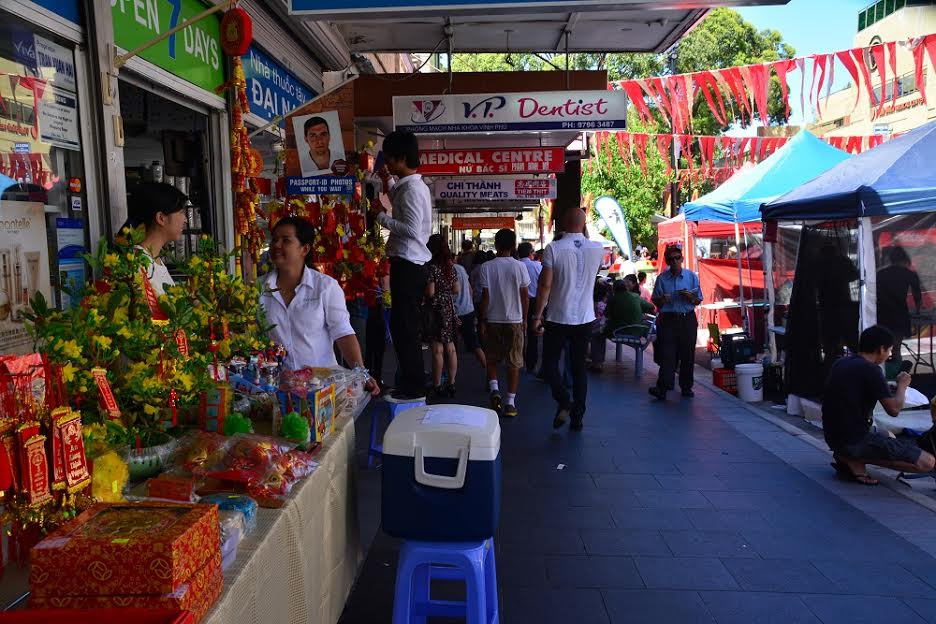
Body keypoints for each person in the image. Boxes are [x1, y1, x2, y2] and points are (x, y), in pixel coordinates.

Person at [260, 217, 378, 394]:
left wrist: (361, 373)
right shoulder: (259, 289)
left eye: (286, 240)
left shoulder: (325, 287)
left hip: (320, 389)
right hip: (275, 388)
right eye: (274, 239)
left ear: (304, 249)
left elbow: (343, 333)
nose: (277, 245)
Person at [824, 325, 935, 485]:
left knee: (888, 435)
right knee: (928, 462)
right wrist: (902, 385)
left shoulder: (841, 363)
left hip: (833, 437)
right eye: (889, 350)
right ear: (881, 349)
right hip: (854, 440)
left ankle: (848, 455)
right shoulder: (872, 370)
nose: (889, 355)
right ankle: (854, 459)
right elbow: (894, 410)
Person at [369, 130, 432, 400]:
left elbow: (412, 229)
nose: (387, 164)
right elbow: (401, 202)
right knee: (401, 326)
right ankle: (411, 382)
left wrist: (380, 217)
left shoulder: (414, 189)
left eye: (390, 160)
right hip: (408, 265)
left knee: (405, 329)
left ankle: (414, 385)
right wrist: (388, 181)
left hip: (408, 264)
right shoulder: (408, 186)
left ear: (402, 158)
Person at [532, 207, 605, 431]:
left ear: (563, 224)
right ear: (583, 224)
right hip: (585, 318)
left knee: (550, 364)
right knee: (579, 368)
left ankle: (564, 400)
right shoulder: (597, 248)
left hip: (557, 316)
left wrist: (537, 316)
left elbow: (545, 286)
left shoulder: (553, 248)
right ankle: (578, 416)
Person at [478, 229, 529, 418]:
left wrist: (482, 319)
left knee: (492, 358)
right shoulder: (519, 267)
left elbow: (485, 296)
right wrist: (524, 319)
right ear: (513, 245)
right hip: (514, 320)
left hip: (493, 319)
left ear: (496, 244)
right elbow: (525, 296)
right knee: (513, 362)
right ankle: (510, 403)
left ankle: (494, 389)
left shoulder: (487, 267)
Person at [650, 244, 703, 400]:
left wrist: (690, 297)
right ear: (667, 261)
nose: (674, 261)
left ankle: (686, 387)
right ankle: (663, 387)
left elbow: (698, 300)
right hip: (668, 320)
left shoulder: (691, 276)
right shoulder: (662, 279)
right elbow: (656, 302)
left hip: (687, 318)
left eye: (677, 258)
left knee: (687, 354)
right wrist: (662, 300)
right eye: (671, 259)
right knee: (667, 354)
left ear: (682, 259)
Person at [125, 181, 187, 296]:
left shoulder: (155, 260)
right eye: (181, 212)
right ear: (161, 218)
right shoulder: (138, 263)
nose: (185, 220)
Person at [425, 234, 459, 398]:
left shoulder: (432, 268)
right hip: (448, 309)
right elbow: (456, 290)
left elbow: (430, 292)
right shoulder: (450, 267)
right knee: (451, 348)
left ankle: (437, 385)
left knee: (437, 349)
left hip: (435, 310)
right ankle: (451, 383)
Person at [814, 241, 860, 362]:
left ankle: (831, 364)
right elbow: (855, 276)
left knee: (830, 342)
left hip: (827, 305)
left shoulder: (819, 263)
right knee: (850, 338)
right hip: (844, 304)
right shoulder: (843, 261)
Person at [876, 246, 922, 362]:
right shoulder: (909, 274)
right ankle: (898, 374)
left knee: (881, 348)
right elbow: (917, 296)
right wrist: (918, 310)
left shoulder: (881, 274)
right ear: (905, 259)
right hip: (899, 315)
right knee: (896, 349)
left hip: (882, 315)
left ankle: (881, 374)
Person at [452, 258, 486, 372]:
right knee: (474, 343)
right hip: (468, 309)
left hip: (454, 311)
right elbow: (470, 290)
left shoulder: (442, 270)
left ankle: (452, 374)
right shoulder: (460, 268)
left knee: (451, 344)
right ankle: (489, 372)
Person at [518, 241, 542, 373]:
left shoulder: (515, 266)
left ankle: (517, 360)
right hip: (534, 303)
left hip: (517, 303)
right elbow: (543, 285)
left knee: (518, 333)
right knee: (533, 335)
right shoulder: (537, 267)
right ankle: (531, 364)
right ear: (530, 253)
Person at [606, 274, 656, 339]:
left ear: (614, 289)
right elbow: (651, 307)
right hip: (637, 332)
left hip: (618, 332)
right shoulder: (636, 296)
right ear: (625, 287)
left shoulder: (613, 298)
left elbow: (607, 314)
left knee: (599, 334)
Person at [588, 278, 611, 372]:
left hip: (594, 325)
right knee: (600, 339)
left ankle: (595, 362)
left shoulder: (594, 302)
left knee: (594, 337)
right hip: (604, 326)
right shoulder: (607, 302)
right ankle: (599, 362)